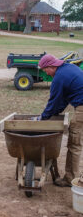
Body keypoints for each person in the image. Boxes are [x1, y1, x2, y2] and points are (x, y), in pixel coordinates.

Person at [37, 54, 83, 187]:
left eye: (45, 70)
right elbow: (63, 100)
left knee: (74, 144)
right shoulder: (68, 68)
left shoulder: (59, 77)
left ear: (51, 66)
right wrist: (54, 113)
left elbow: (54, 101)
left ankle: (70, 179)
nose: (46, 73)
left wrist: (44, 117)